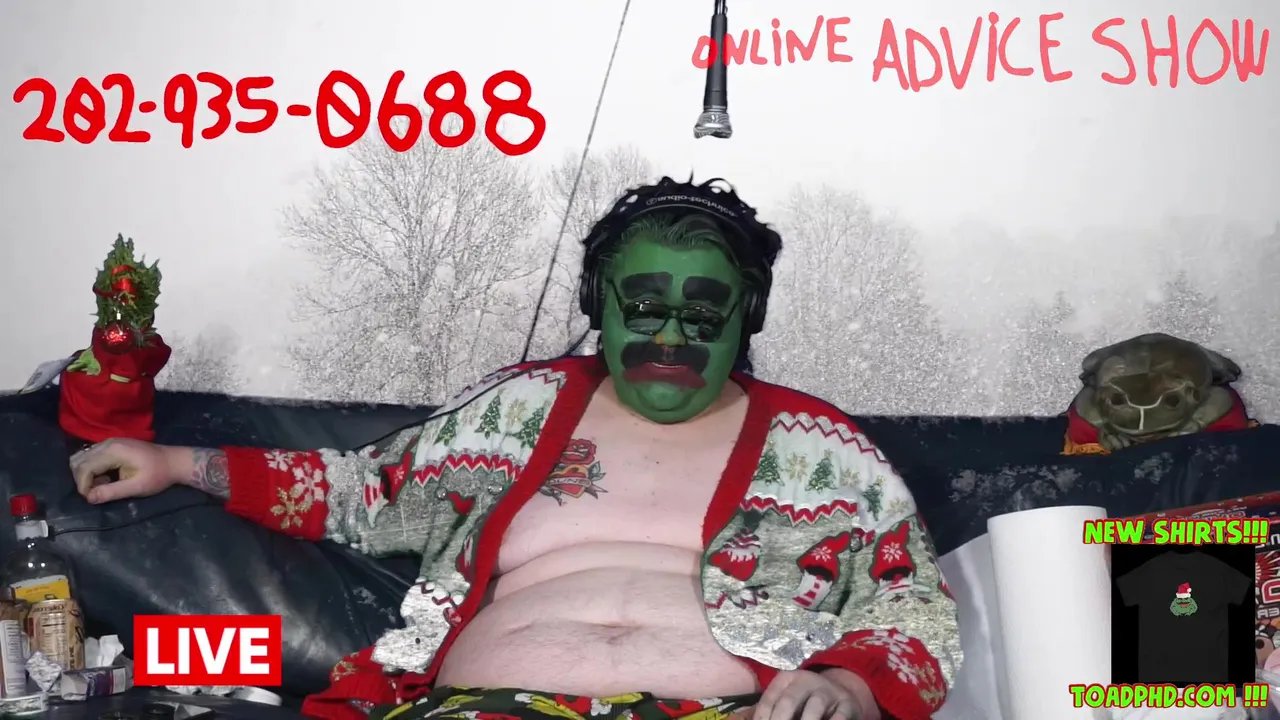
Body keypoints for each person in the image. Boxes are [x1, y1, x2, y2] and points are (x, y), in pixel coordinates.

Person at [71, 178, 962, 720]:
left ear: (747, 316)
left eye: (702, 313)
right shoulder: (517, 411)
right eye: (643, 305)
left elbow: (913, 605)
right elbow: (365, 491)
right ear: (600, 302)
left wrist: (852, 686)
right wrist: (178, 464)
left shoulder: (828, 452)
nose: (669, 335)